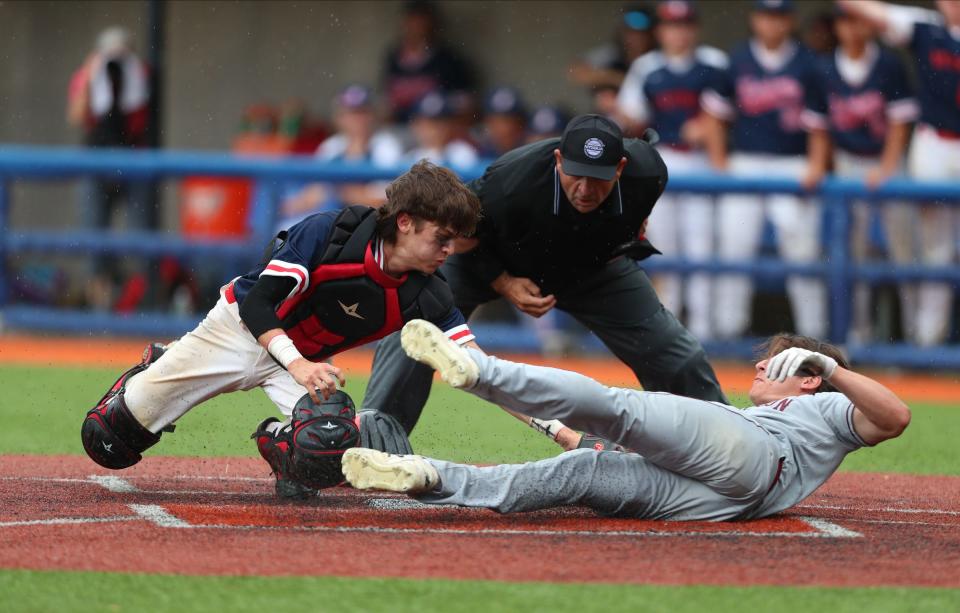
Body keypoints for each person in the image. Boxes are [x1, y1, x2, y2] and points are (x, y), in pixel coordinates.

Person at [80, 161, 482, 499]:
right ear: (406, 222)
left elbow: (475, 365)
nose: (450, 251)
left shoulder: (430, 294)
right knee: (107, 441)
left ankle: (276, 442)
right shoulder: (333, 233)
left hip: (303, 361)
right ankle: (157, 367)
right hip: (237, 333)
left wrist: (545, 422)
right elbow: (257, 304)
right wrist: (300, 366)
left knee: (326, 453)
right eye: (442, 238)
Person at [360, 114, 728, 449]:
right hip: (491, 260)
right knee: (416, 324)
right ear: (557, 161)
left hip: (590, 268)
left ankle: (731, 442)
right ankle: (372, 443)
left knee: (675, 351)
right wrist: (503, 281)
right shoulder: (510, 181)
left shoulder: (649, 174)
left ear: (620, 169)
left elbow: (635, 218)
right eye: (575, 173)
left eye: (597, 178)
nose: (584, 188)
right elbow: (460, 234)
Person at [343, 318, 911, 521]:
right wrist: (571, 434)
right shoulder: (762, 414)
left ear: (807, 376)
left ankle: (480, 369)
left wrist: (829, 370)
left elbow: (896, 417)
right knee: (578, 471)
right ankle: (429, 477)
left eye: (778, 362)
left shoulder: (825, 404)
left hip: (754, 458)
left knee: (619, 407)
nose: (761, 364)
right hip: (724, 503)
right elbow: (591, 439)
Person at [701, 0, 829, 340]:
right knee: (734, 247)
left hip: (792, 162)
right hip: (745, 160)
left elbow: (819, 123)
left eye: (779, 16)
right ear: (755, 19)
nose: (772, 23)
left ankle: (813, 335)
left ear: (790, 21)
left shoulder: (807, 63)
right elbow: (714, 113)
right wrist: (719, 162)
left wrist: (816, 164)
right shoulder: (738, 59)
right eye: (766, 16)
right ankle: (727, 331)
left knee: (801, 250)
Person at [837, 0, 960, 347]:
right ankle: (928, 342)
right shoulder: (926, 26)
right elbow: (867, 10)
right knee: (935, 250)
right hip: (935, 142)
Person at [802, 6, 919, 344]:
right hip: (847, 164)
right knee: (851, 255)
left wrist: (886, 168)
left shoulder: (889, 64)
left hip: (888, 164)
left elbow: (900, 123)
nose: (852, 29)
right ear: (837, 27)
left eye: (858, 21)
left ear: (870, 27)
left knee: (903, 253)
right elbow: (818, 127)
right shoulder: (822, 68)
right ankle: (857, 336)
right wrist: (817, 164)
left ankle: (915, 337)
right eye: (845, 21)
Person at [616, 0, 728, 340]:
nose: (678, 32)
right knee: (665, 247)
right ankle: (670, 327)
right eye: (671, 26)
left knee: (701, 247)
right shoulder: (647, 67)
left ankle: (705, 331)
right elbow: (629, 116)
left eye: (684, 25)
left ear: (694, 29)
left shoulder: (715, 63)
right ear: (661, 30)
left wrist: (708, 123)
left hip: (702, 159)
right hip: (662, 157)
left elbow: (733, 110)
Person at [67, 26, 156, 312]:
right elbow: (77, 115)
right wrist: (92, 74)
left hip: (133, 160)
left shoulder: (140, 74)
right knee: (94, 234)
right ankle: (98, 307)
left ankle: (142, 303)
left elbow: (145, 117)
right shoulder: (88, 74)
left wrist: (131, 70)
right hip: (96, 159)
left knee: (139, 234)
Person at [276, 84, 404, 231]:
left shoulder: (386, 146)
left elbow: (384, 204)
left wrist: (337, 191)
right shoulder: (331, 146)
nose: (356, 119)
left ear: (373, 115)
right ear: (339, 117)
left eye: (362, 112)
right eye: (350, 113)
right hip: (331, 219)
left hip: (368, 226)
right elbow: (313, 194)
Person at [382, 0, 476, 123]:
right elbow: (387, 106)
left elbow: (466, 107)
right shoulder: (393, 59)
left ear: (431, 25)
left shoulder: (449, 60)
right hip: (401, 132)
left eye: (421, 23)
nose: (416, 28)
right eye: (412, 22)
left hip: (439, 131)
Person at [568, 4, 658, 92]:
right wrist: (615, 78)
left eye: (641, 34)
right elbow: (575, 72)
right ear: (622, 32)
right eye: (630, 32)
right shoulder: (613, 54)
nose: (635, 38)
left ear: (652, 34)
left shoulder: (660, 57)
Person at [404, 90, 479, 169]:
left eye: (437, 124)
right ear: (414, 125)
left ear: (448, 125)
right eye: (424, 124)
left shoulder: (460, 152)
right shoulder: (409, 157)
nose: (431, 130)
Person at [477, 87, 529, 159]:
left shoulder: (531, 156)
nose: (504, 129)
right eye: (495, 122)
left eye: (509, 122)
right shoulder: (473, 156)